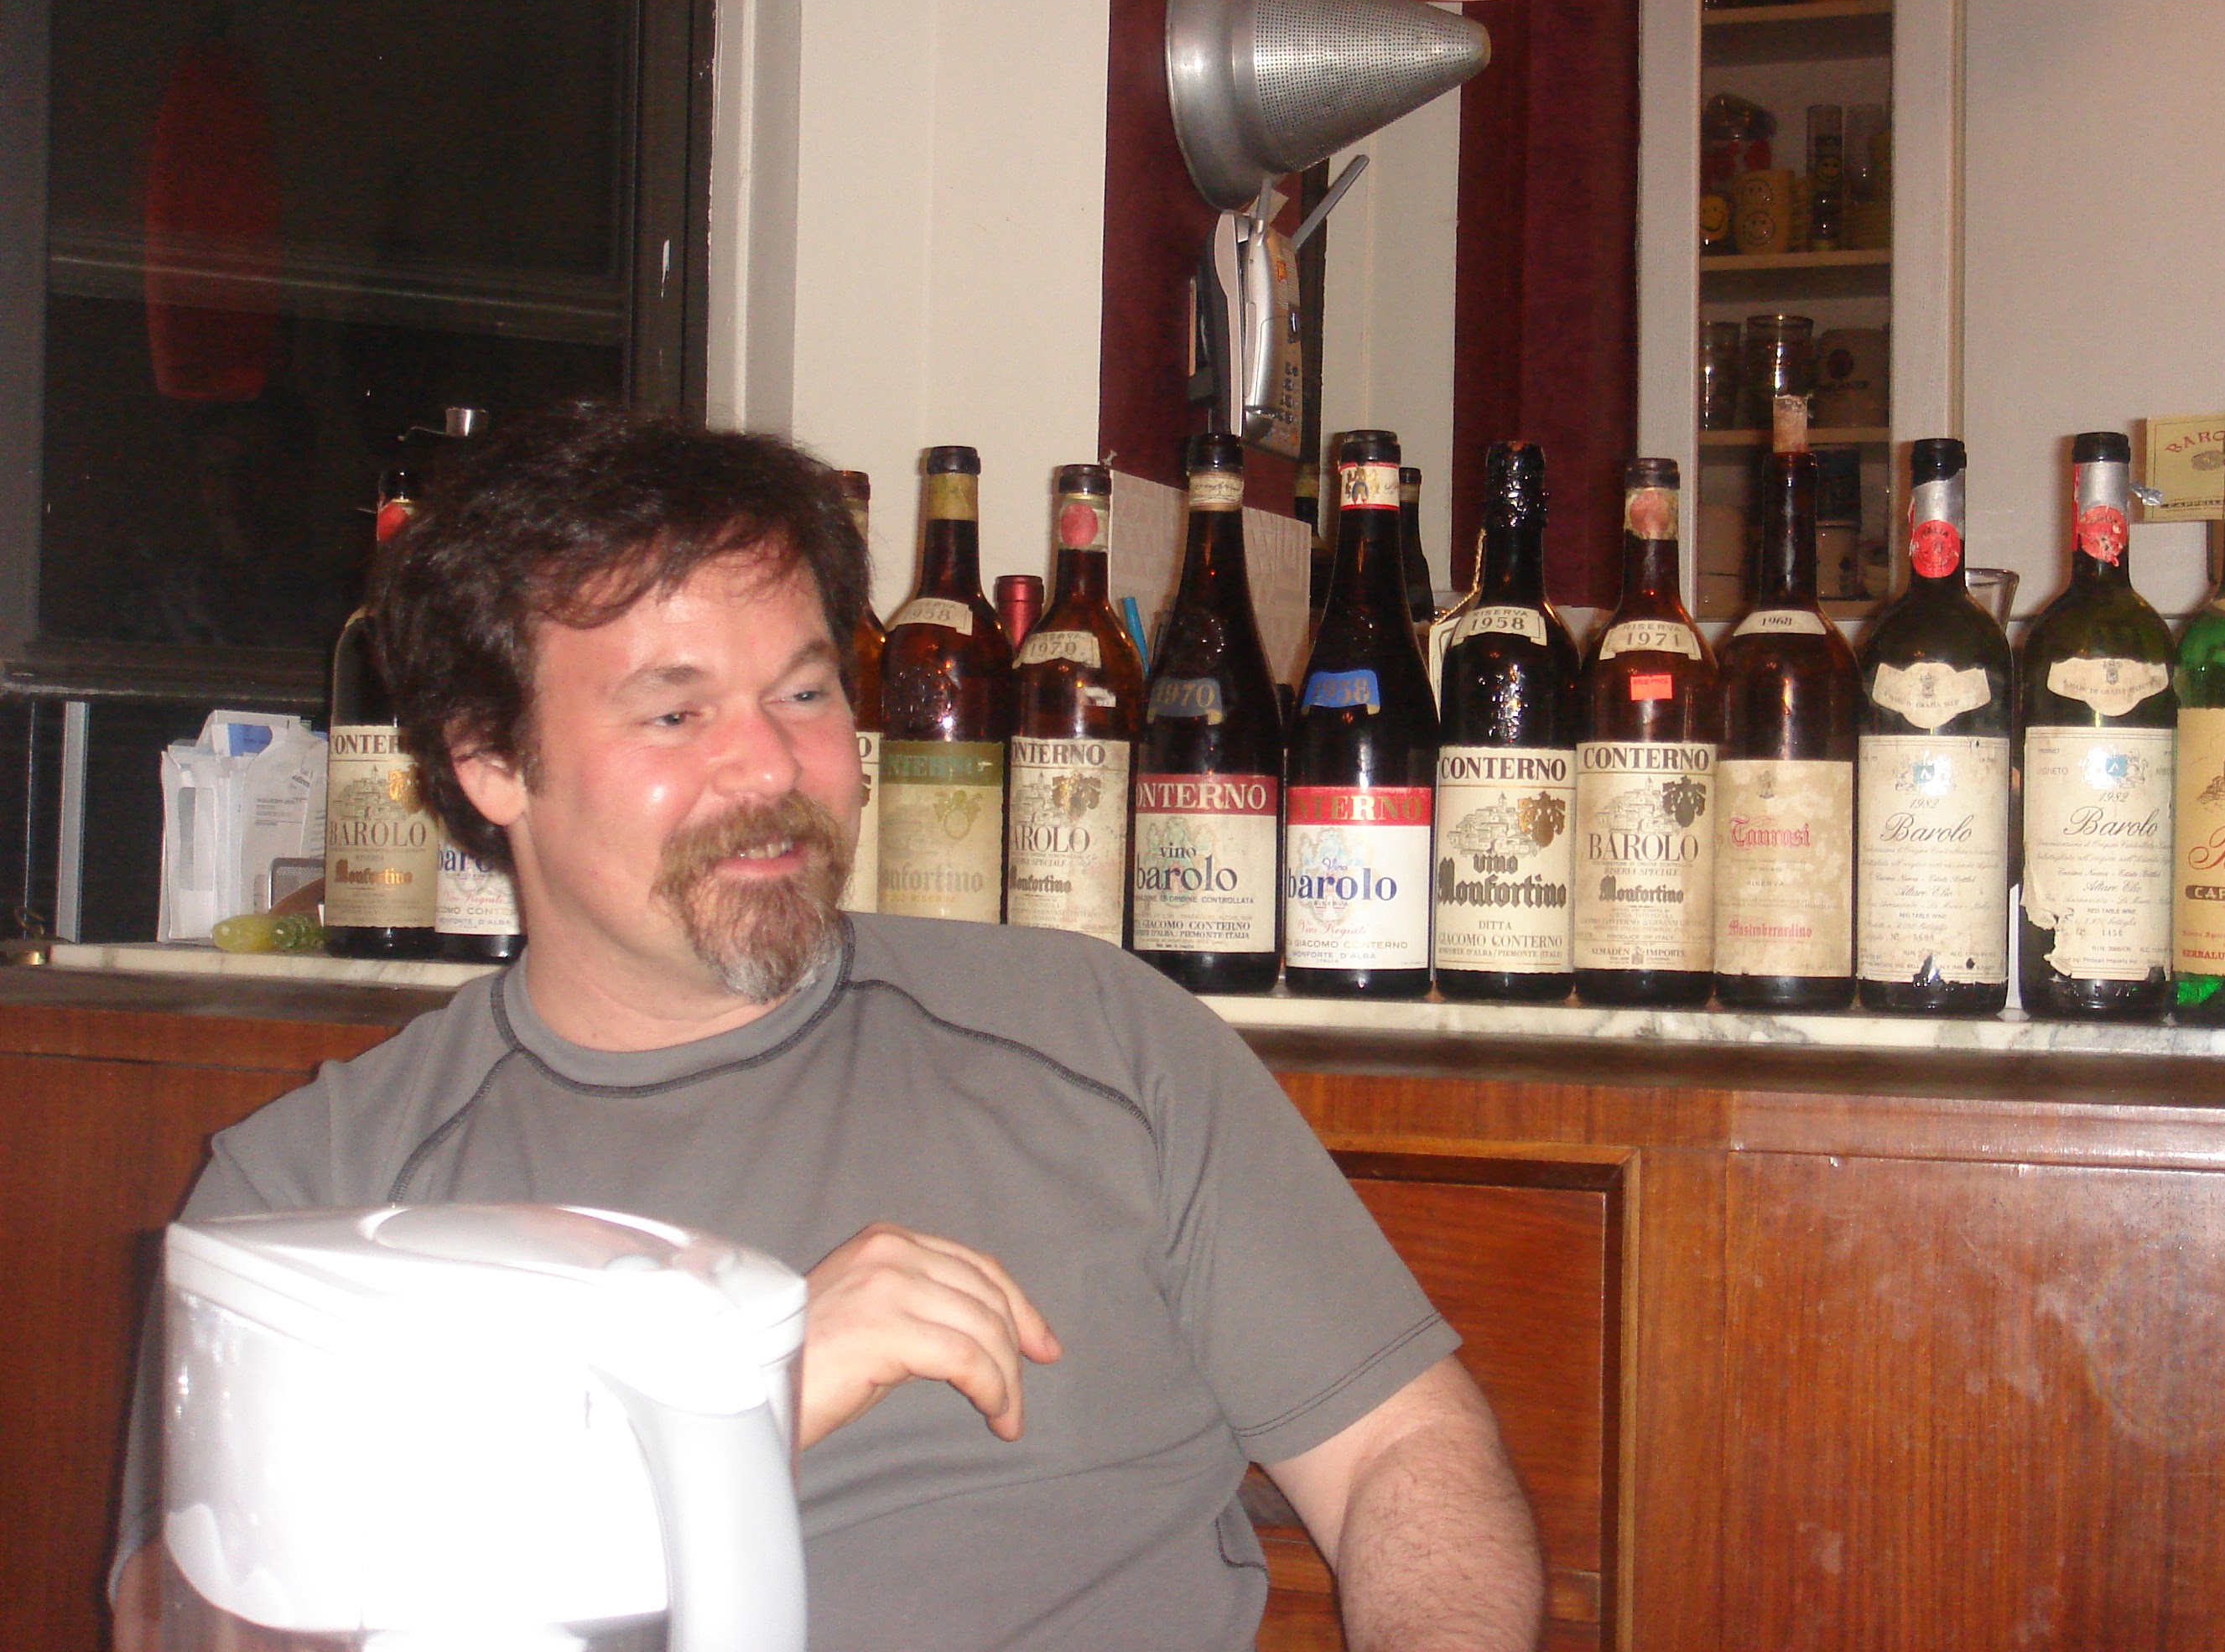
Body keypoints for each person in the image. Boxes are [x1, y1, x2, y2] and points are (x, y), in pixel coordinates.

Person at [113, 404, 1544, 1652]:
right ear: (490, 760)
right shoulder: (312, 1197)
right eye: (675, 716)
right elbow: (208, 1631)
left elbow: (1405, 1449)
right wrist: (737, 1413)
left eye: (802, 693)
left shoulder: (1101, 1036)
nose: (771, 767)